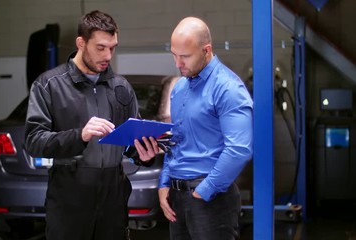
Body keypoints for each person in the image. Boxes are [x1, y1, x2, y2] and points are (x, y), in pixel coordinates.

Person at [25, 10, 147, 240]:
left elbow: (131, 143)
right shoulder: (49, 85)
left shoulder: (120, 87)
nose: (108, 55)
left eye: (112, 47)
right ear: (81, 43)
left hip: (113, 203)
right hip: (69, 202)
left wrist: (145, 152)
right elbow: (33, 141)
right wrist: (79, 135)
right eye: (101, 47)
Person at [137, 17, 253, 239]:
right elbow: (177, 141)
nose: (178, 63)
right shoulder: (179, 88)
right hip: (177, 197)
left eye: (185, 56)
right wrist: (164, 182)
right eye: (174, 55)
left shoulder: (228, 88)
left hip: (210, 198)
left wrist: (205, 190)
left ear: (206, 50)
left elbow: (239, 149)